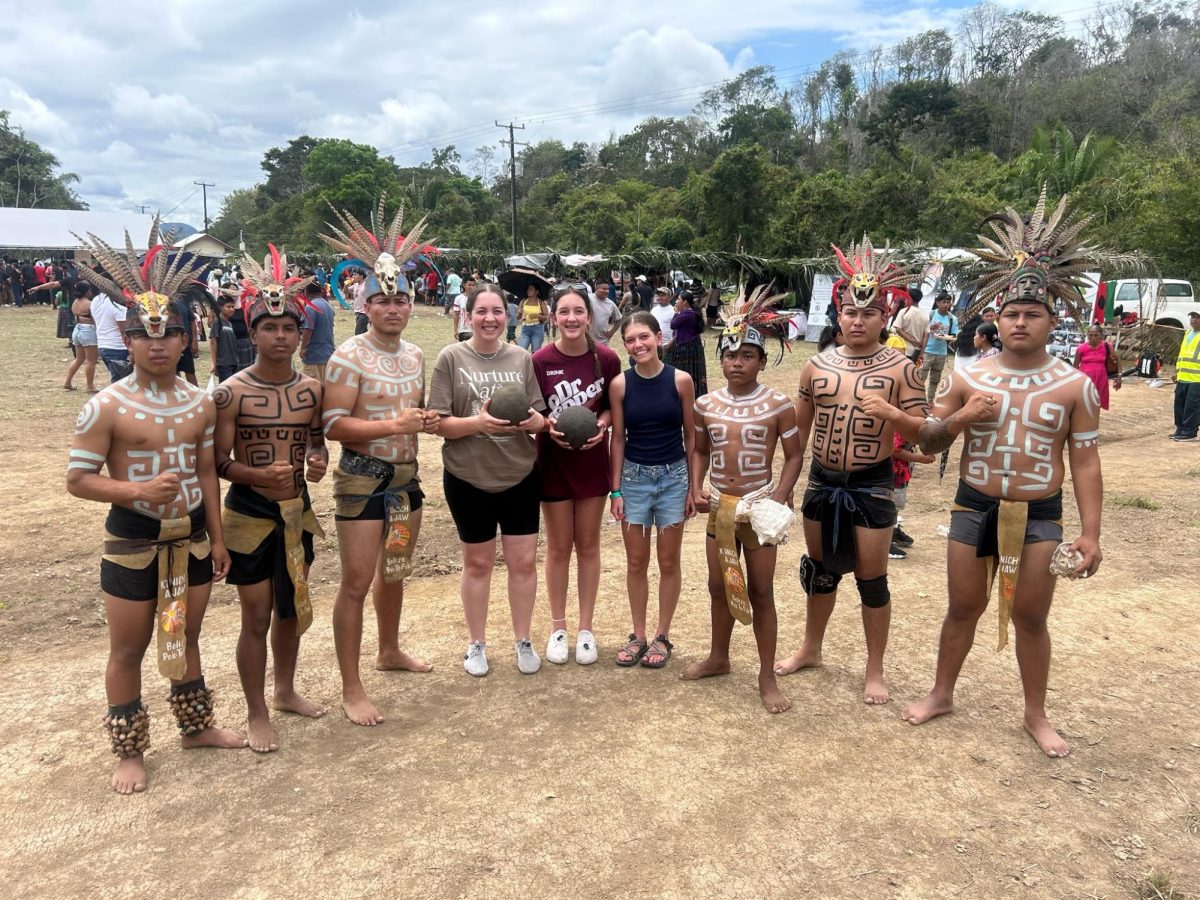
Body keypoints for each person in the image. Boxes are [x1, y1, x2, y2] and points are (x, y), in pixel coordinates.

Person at [901, 189, 1105, 758]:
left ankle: (1035, 714)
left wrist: (1090, 533)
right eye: (1011, 313)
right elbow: (928, 438)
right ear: (997, 318)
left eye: (1032, 314)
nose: (1020, 322)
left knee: (1031, 616)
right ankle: (941, 693)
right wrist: (962, 416)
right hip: (974, 505)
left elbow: (1085, 462)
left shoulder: (1074, 386)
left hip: (1040, 512)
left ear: (1051, 320)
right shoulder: (968, 375)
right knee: (962, 607)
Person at [67, 225, 246, 795]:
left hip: (192, 535)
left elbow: (205, 472)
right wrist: (135, 492)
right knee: (129, 648)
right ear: (127, 339)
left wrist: (217, 538)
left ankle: (196, 728)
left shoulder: (200, 403)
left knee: (186, 633)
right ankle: (129, 750)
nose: (158, 344)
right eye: (144, 335)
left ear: (185, 338)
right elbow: (78, 480)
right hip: (133, 539)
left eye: (168, 332)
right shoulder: (106, 406)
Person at [775, 238, 927, 704]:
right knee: (820, 571)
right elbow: (797, 433)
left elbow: (925, 433)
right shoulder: (815, 367)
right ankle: (811, 648)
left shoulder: (903, 369)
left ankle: (874, 668)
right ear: (838, 316)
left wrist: (892, 414)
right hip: (822, 481)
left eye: (868, 314)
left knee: (872, 580)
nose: (858, 321)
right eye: (850, 312)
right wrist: (781, 482)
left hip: (871, 483)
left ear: (885, 317)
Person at [319, 199, 439, 725]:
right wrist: (394, 425)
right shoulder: (348, 355)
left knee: (395, 572)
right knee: (356, 582)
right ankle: (352, 686)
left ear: (411, 305)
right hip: (362, 482)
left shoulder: (415, 355)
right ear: (365, 306)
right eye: (383, 301)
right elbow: (334, 424)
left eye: (401, 300)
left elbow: (413, 413)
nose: (393, 308)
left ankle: (389, 650)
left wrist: (425, 421)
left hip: (406, 482)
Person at [214, 270, 329, 753]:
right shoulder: (231, 393)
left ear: (300, 334)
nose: (280, 336)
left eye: (288, 328)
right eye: (269, 327)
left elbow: (316, 442)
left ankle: (284, 691)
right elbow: (217, 461)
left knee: (291, 609)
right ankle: (256, 711)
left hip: (296, 512)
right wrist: (257, 475)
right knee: (257, 616)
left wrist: (318, 462)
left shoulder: (312, 391)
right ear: (253, 331)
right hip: (249, 515)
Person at [682, 292, 803, 713]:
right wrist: (695, 486)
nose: (738, 363)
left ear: (762, 362)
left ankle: (767, 675)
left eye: (748, 356)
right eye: (730, 355)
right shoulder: (705, 405)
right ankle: (719, 657)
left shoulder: (778, 405)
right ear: (720, 359)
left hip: (758, 505)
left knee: (761, 590)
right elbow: (699, 450)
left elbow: (794, 456)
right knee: (719, 586)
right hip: (719, 505)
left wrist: (779, 497)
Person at [429, 284, 548, 677]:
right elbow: (439, 423)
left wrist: (538, 422)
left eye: (497, 311)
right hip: (468, 476)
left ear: (507, 315)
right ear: (469, 314)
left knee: (523, 562)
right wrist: (478, 423)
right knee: (478, 563)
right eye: (482, 311)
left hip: (519, 474)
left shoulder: (521, 357)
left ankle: (523, 639)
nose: (490, 318)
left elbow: (538, 417)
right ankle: (476, 643)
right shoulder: (451, 357)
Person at [533, 287, 621, 665]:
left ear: (589, 316)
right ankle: (558, 627)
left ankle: (586, 629)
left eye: (579, 311)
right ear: (553, 317)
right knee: (558, 547)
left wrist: (601, 424)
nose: (571, 318)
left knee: (587, 546)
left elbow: (613, 408)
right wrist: (547, 425)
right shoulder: (539, 360)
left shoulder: (607, 358)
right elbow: (534, 411)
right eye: (564, 311)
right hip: (554, 463)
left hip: (591, 462)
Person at [609, 311, 697, 669]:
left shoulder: (681, 381)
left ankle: (662, 635)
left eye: (644, 337)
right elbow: (618, 438)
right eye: (630, 340)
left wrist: (692, 486)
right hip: (634, 479)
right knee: (636, 561)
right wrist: (615, 490)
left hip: (674, 478)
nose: (638, 345)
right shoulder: (620, 385)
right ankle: (639, 634)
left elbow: (691, 436)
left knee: (668, 561)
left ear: (659, 338)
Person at [664, 290, 707, 395]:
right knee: (690, 371)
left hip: (687, 348)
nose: (676, 301)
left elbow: (673, 325)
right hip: (690, 346)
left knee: (685, 370)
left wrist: (676, 313)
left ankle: (686, 393)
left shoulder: (687, 314)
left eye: (679, 299)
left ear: (685, 302)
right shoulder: (690, 313)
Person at [918, 291, 957, 401]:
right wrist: (930, 328)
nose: (946, 304)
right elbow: (922, 330)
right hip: (928, 351)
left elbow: (954, 335)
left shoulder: (952, 318)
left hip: (941, 353)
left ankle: (930, 400)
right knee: (921, 377)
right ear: (937, 303)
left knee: (935, 379)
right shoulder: (930, 315)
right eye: (943, 302)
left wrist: (950, 337)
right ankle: (919, 399)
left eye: (948, 302)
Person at [1170, 310, 1200, 441]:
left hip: (1196, 379)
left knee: (1192, 407)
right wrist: (1176, 371)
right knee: (1179, 405)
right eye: (1192, 316)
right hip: (1183, 377)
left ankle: (1190, 432)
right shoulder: (1188, 333)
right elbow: (1182, 354)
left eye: (1197, 317)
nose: (1194, 319)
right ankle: (1180, 428)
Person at [64, 282, 98, 392]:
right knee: (91, 361)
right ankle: (90, 386)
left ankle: (68, 381)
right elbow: (96, 319)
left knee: (79, 359)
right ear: (87, 291)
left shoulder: (75, 302)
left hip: (77, 329)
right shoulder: (90, 304)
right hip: (88, 330)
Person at [299, 281, 336, 381]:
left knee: (312, 386)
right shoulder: (328, 305)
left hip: (314, 355)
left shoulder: (310, 307)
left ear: (306, 292)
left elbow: (308, 329)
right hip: (328, 353)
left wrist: (303, 348)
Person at [92, 289, 131, 383]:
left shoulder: (96, 300)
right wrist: (131, 349)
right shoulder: (118, 306)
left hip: (103, 345)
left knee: (118, 379)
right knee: (121, 381)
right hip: (118, 347)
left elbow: (95, 322)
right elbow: (124, 331)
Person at [891, 287, 928, 363]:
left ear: (910, 298)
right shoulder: (925, 315)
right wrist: (922, 353)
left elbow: (898, 329)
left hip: (901, 350)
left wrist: (911, 341)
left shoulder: (903, 311)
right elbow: (926, 336)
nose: (904, 300)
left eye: (905, 298)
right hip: (915, 353)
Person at [211, 295, 240, 381]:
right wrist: (213, 362)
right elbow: (213, 342)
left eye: (233, 307)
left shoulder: (229, 324)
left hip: (233, 361)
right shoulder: (217, 322)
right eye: (228, 307)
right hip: (223, 362)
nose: (231, 309)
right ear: (220, 307)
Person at [517, 283, 549, 352]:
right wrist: (519, 312)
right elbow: (518, 317)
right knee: (521, 351)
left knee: (535, 352)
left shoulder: (541, 302)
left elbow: (546, 317)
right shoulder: (523, 301)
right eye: (528, 289)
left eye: (531, 289)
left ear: (537, 292)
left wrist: (537, 316)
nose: (528, 291)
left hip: (537, 329)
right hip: (525, 329)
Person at [589, 280, 621, 347]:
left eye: (608, 289)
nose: (606, 291)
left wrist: (612, 332)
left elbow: (619, 319)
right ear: (597, 288)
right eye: (604, 289)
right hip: (588, 339)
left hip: (603, 341)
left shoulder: (610, 304)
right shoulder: (588, 299)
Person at [451, 276, 476, 342]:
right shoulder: (458, 298)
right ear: (464, 285)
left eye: (473, 285)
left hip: (476, 330)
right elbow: (456, 314)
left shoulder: (478, 298)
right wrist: (455, 330)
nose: (472, 287)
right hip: (464, 330)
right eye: (469, 285)